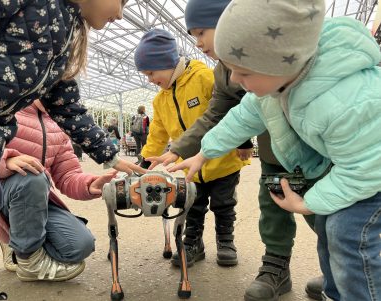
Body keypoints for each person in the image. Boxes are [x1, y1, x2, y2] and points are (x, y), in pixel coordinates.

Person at [0, 0, 145, 299]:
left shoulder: (63, 40)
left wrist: (110, 158)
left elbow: (67, 107)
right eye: (121, 1)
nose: (121, 13)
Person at [169, 1, 381, 300]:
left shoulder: (343, 102)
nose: (233, 80)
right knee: (329, 225)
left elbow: (366, 168)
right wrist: (203, 153)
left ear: (279, 61)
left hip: (372, 174)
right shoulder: (278, 84)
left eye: (242, 71)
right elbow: (240, 119)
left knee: (346, 232)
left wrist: (309, 203)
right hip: (357, 168)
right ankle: (338, 287)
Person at [145, 0, 323, 300]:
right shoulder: (223, 72)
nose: (196, 42)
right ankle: (277, 267)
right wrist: (180, 150)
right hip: (273, 154)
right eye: (193, 34)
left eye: (202, 32)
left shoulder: (275, 52)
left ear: (232, 21)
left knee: (326, 213)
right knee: (273, 207)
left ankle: (343, 266)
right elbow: (219, 114)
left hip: (317, 151)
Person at [134, 28, 250, 268]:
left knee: (224, 204)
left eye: (151, 72)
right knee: (192, 205)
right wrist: (145, 160)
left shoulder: (204, 77)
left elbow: (231, 108)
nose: (150, 80)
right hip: (190, 167)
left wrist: (243, 141)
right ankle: (193, 243)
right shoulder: (160, 99)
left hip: (222, 160)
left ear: (167, 62)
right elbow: (157, 132)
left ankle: (225, 242)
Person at [0, 99, 117, 281]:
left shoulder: (57, 124)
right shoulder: (4, 106)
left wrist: (89, 185)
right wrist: (4, 160)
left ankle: (19, 240)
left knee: (80, 245)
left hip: (36, 196)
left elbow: (67, 175)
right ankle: (28, 260)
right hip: (0, 195)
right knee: (32, 176)